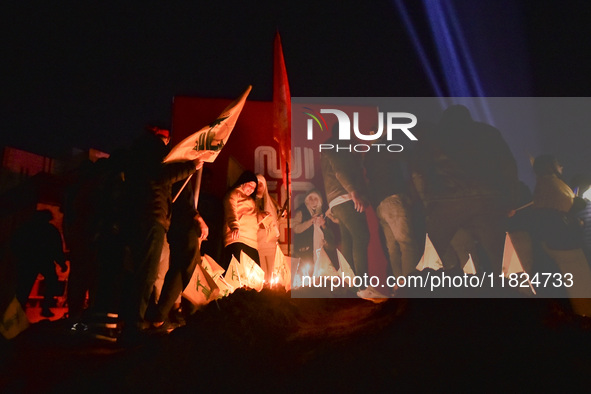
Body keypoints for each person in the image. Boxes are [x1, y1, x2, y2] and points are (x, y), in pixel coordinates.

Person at [120, 125, 201, 336]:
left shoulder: (137, 152)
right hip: (152, 216)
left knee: (139, 272)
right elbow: (162, 176)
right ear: (160, 135)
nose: (168, 141)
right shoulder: (152, 149)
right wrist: (192, 166)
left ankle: (133, 322)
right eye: (167, 138)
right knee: (147, 274)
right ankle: (134, 327)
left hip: (138, 216)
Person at [152, 181, 208, 328]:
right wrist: (197, 217)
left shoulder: (181, 172)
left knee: (177, 271)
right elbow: (181, 201)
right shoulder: (182, 172)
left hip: (175, 224)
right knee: (191, 268)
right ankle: (193, 316)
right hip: (183, 224)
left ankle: (159, 316)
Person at [11, 210, 67, 318]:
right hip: (44, 260)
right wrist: (61, 263)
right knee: (51, 281)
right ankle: (45, 308)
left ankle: (19, 309)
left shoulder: (26, 228)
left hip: (29, 260)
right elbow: (56, 248)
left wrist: (19, 256)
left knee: (24, 285)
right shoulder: (50, 230)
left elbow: (15, 242)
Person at [222, 171, 263, 268]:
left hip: (252, 242)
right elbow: (230, 209)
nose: (251, 189)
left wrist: (263, 217)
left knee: (254, 274)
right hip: (238, 238)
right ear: (243, 182)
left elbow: (255, 218)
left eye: (254, 188)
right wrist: (234, 225)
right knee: (237, 272)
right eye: (250, 185)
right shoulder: (234, 193)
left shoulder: (252, 201)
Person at [255, 174, 282, 282]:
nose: (258, 187)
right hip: (257, 243)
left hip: (271, 243)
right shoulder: (250, 201)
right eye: (256, 184)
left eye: (260, 184)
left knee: (273, 274)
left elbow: (277, 213)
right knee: (262, 276)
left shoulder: (270, 201)